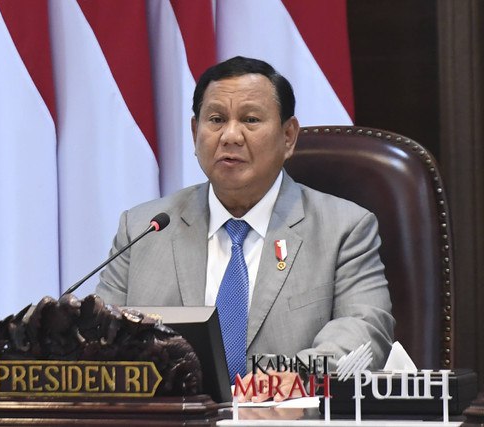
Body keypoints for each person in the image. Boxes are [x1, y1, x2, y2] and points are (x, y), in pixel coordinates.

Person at [96, 56, 395, 401]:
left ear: (288, 136)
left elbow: (364, 330)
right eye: (216, 120)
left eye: (250, 120)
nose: (230, 136)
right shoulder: (143, 228)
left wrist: (287, 382)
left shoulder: (343, 229)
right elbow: (101, 341)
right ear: (195, 133)